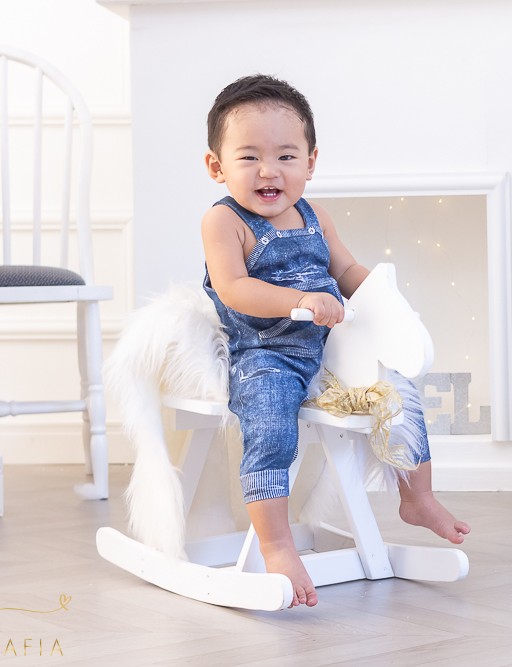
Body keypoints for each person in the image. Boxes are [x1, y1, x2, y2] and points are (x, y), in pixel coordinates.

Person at [201, 75, 470, 608]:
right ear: (217, 166)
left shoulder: (315, 216)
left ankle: (418, 497)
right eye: (249, 157)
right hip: (266, 353)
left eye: (285, 155)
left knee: (399, 389)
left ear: (310, 161)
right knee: (270, 418)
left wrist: (382, 298)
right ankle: (277, 544)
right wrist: (298, 303)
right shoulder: (223, 221)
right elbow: (235, 288)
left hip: (327, 348)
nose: (269, 170)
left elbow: (344, 268)